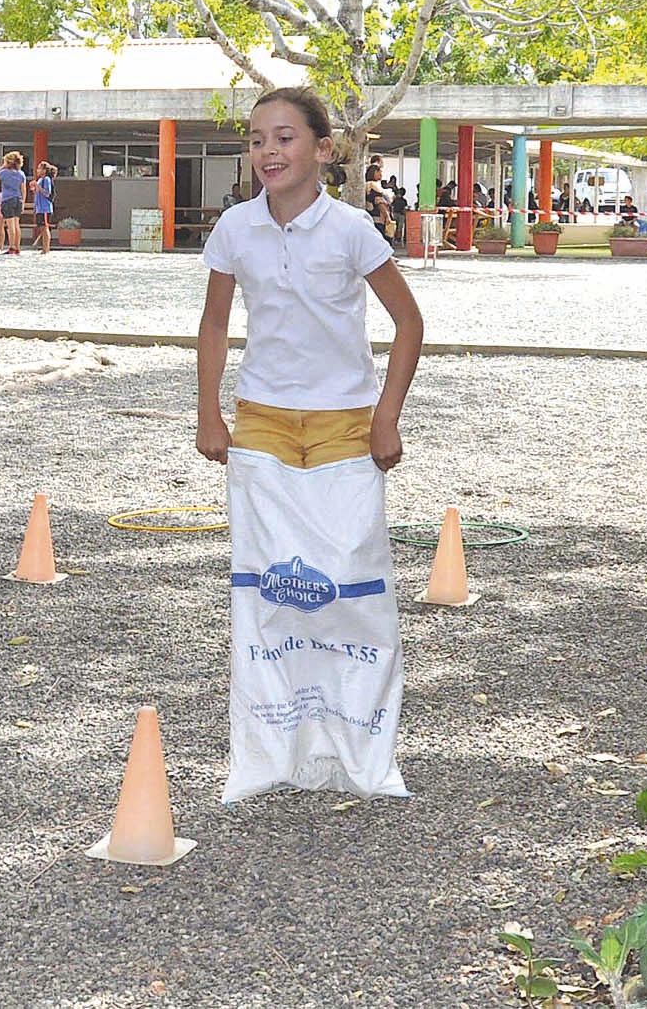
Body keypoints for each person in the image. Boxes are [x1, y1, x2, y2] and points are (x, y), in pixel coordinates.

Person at [195, 86, 423, 799]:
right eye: (258, 138)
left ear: (325, 150)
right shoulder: (234, 227)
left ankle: (358, 751)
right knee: (267, 592)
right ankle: (269, 752)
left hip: (345, 428)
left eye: (286, 137)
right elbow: (212, 325)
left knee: (349, 588)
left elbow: (409, 325)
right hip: (261, 424)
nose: (269, 150)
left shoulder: (353, 230)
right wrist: (209, 412)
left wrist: (386, 416)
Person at [0, 151, 28, 255]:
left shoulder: (4, 172)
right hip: (18, 199)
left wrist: (2, 166)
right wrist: (23, 202)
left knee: (10, 225)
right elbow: (23, 189)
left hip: (7, 199)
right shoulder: (21, 174)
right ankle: (17, 247)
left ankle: (11, 247)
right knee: (16, 224)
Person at [30, 162, 56, 253]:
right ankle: (44, 247)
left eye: (39, 168)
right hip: (39, 208)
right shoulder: (40, 180)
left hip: (45, 208)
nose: (37, 170)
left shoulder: (47, 179)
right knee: (41, 227)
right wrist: (34, 188)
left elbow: (47, 193)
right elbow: (38, 192)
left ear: (44, 170)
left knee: (45, 228)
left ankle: (46, 248)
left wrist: (37, 186)